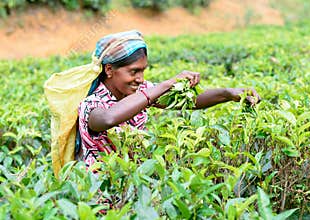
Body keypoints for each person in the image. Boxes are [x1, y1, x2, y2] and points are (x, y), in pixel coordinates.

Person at [77, 30, 261, 169]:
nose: (140, 78)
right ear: (109, 70)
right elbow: (108, 118)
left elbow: (191, 102)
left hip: (132, 184)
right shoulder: (91, 104)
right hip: (100, 193)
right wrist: (166, 84)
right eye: (134, 71)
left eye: (143, 71)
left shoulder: (140, 92)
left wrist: (228, 94)